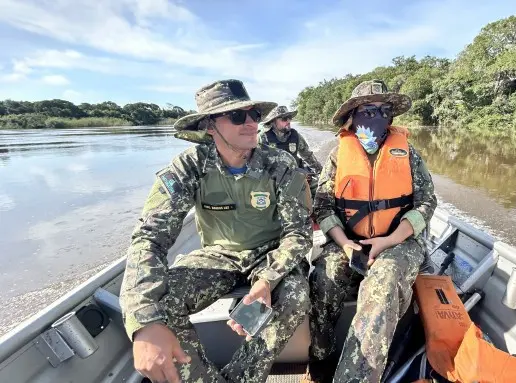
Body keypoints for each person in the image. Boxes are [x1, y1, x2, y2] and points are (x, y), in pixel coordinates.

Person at [119, 79, 313, 383]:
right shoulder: (188, 167)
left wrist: (267, 280)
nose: (251, 124)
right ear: (210, 126)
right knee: (161, 304)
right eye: (237, 117)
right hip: (218, 256)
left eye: (253, 115)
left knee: (296, 294)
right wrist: (144, 321)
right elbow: (149, 238)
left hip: (270, 254)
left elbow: (298, 234)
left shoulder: (280, 163)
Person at [303, 80, 437, 383]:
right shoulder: (339, 156)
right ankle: (321, 365)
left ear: (390, 116)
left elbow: (428, 202)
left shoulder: (409, 153)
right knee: (323, 280)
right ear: (353, 115)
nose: (375, 116)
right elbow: (323, 208)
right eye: (367, 110)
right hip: (348, 239)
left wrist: (390, 239)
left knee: (382, 285)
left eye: (383, 110)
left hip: (398, 242)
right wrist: (346, 244)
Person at [258, 105, 322, 198]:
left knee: (321, 188)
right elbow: (258, 164)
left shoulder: (295, 136)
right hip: (274, 179)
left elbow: (308, 156)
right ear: (273, 122)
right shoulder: (263, 138)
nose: (288, 121)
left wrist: (321, 172)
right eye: (284, 119)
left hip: (296, 174)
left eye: (289, 118)